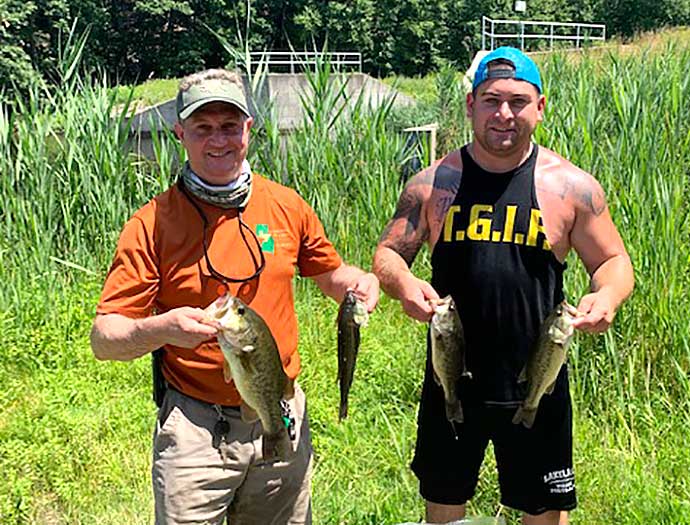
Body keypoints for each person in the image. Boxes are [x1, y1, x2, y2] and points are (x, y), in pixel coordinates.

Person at [90, 68, 379, 525]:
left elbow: (330, 274)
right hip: (196, 430)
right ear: (179, 132)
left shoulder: (285, 204)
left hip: (279, 411)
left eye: (229, 126)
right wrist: (163, 329)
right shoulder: (151, 224)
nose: (218, 140)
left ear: (249, 128)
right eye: (203, 128)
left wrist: (356, 283)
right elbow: (105, 337)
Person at [372, 47, 633, 525]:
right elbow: (388, 254)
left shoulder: (572, 188)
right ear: (471, 105)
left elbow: (613, 261)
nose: (504, 114)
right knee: (445, 509)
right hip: (451, 377)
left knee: (544, 513)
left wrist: (608, 296)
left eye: (518, 100)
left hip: (539, 376)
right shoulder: (432, 185)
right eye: (491, 100)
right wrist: (404, 283)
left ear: (540, 106)